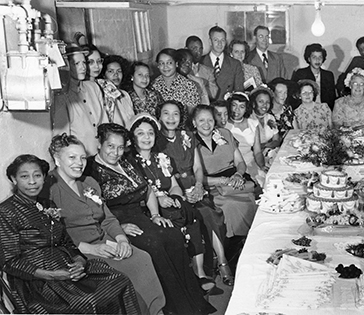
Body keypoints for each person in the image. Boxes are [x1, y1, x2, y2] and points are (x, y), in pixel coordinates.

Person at [84, 123, 216, 315]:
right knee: (154, 244)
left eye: (120, 147)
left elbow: (146, 190)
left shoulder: (126, 162)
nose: (116, 152)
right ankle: (171, 308)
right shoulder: (91, 169)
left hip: (140, 215)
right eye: (110, 146)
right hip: (117, 221)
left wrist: (155, 215)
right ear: (100, 144)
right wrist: (119, 227)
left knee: (173, 236)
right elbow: (94, 210)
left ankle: (191, 304)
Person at [0, 154, 140, 314]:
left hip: (66, 268)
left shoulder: (47, 204)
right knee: (88, 301)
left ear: (44, 177)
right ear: (13, 179)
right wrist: (52, 276)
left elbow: (67, 242)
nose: (32, 182)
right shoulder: (6, 211)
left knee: (118, 281)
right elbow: (9, 262)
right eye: (24, 177)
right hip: (37, 280)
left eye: (37, 175)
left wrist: (80, 262)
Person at [46, 134, 165, 315]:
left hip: (105, 241)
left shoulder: (89, 182)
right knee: (123, 272)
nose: (79, 163)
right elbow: (51, 236)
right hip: (78, 251)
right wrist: (88, 249)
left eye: (82, 157)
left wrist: (122, 239)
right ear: (57, 159)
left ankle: (155, 311)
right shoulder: (49, 188)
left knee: (142, 258)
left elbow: (108, 219)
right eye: (72, 157)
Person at [127, 114, 215, 291]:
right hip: (146, 208)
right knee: (173, 217)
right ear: (132, 137)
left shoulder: (162, 157)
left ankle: (199, 273)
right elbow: (140, 192)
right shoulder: (130, 162)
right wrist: (160, 199)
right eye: (141, 133)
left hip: (169, 202)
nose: (147, 138)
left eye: (150, 133)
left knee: (190, 212)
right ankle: (184, 278)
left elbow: (174, 186)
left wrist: (175, 198)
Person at [154, 101, 233, 287]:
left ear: (181, 118)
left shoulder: (188, 136)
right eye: (166, 114)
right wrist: (181, 194)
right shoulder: (155, 140)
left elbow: (197, 167)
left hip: (194, 185)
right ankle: (210, 268)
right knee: (202, 214)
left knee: (210, 213)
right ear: (159, 116)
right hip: (172, 190)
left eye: (175, 114)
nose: (171, 118)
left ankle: (222, 262)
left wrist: (198, 185)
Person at [192, 105, 257, 239]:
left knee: (251, 200)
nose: (206, 124)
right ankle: (236, 242)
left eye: (210, 120)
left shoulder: (225, 134)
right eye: (201, 120)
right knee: (230, 205)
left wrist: (238, 174)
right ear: (194, 122)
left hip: (235, 181)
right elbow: (195, 177)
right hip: (211, 186)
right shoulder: (190, 142)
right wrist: (222, 180)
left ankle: (251, 239)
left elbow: (240, 162)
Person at [52, 46, 107, 156]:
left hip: (102, 155)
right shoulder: (62, 96)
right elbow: (62, 136)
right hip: (80, 158)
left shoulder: (93, 87)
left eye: (84, 63)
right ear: (66, 66)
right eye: (76, 64)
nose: (83, 67)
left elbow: (104, 123)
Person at [225, 92, 266, 185]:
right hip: (232, 166)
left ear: (246, 109)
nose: (237, 110)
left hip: (251, 163)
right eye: (234, 105)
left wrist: (262, 166)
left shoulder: (253, 124)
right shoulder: (224, 125)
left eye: (241, 107)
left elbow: (257, 151)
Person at [151, 48, 200, 115]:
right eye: (162, 63)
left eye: (169, 63)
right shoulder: (153, 85)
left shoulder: (188, 85)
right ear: (158, 66)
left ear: (176, 64)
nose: (165, 67)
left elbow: (193, 113)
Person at [201, 26, 244, 99]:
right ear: (210, 41)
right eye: (216, 40)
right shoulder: (200, 62)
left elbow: (239, 92)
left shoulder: (235, 64)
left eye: (222, 40)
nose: (219, 43)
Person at [291, 43, 337, 109]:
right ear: (309, 59)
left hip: (324, 110)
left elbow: (332, 98)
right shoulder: (301, 73)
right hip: (306, 109)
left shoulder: (328, 75)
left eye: (320, 57)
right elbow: (295, 96)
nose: (317, 60)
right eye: (314, 57)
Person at [249, 87, 281, 170]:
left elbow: (277, 140)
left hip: (269, 152)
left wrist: (265, 146)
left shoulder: (270, 118)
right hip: (253, 157)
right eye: (261, 101)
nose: (265, 105)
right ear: (253, 103)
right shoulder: (248, 119)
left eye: (267, 102)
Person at [99, 55, 135, 127]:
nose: (116, 75)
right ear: (103, 75)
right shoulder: (102, 96)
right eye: (110, 71)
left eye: (119, 71)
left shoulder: (125, 95)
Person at [185, 35, 218, 101]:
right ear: (186, 49)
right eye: (195, 49)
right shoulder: (181, 69)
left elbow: (214, 94)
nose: (199, 52)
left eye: (201, 49)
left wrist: (203, 81)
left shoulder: (208, 71)